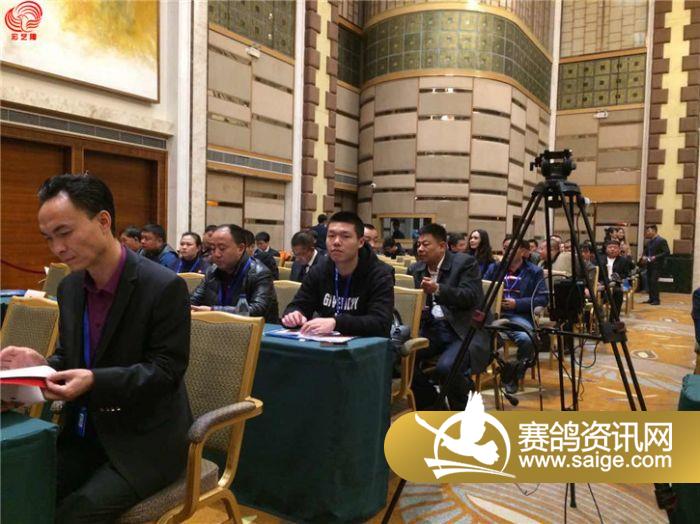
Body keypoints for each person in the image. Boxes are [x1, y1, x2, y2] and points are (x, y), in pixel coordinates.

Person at [0, 174, 192, 522]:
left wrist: (94, 381)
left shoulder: (163, 286)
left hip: (143, 441)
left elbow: (166, 372)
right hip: (84, 432)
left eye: (65, 232)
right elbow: (72, 357)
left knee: (75, 514)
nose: (58, 248)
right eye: (49, 238)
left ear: (103, 221)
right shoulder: (71, 287)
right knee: (21, 488)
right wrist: (42, 366)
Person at [408, 224, 491, 410]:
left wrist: (438, 289)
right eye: (418, 244)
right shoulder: (416, 269)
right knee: (400, 357)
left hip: (463, 329)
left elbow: (470, 297)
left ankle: (465, 413)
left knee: (447, 367)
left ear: (442, 246)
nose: (420, 249)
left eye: (426, 244)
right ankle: (433, 406)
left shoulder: (465, 263)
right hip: (432, 329)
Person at [281, 211, 394, 337]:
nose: (336, 242)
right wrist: (294, 314)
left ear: (361, 242)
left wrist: (336, 323)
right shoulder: (319, 270)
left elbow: (380, 323)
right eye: (331, 236)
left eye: (345, 236)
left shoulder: (380, 274)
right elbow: (298, 304)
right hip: (325, 343)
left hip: (367, 345)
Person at [484, 236, 547, 394]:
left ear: (524, 251)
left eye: (512, 248)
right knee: (473, 333)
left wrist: (517, 303)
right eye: (505, 248)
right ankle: (488, 368)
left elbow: (542, 298)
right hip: (495, 314)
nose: (507, 251)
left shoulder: (534, 271)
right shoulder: (495, 268)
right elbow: (482, 289)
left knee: (527, 339)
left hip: (518, 315)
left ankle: (514, 375)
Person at [191, 224, 278, 322]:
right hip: (218, 327)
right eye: (213, 248)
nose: (216, 254)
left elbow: (257, 310)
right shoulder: (212, 271)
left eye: (222, 248)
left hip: (255, 329)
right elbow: (193, 300)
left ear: (240, 248)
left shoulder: (260, 273)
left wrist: (214, 311)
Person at [599, 239, 634, 315]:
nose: (612, 249)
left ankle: (614, 317)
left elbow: (626, 274)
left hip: (617, 284)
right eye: (610, 247)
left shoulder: (623, 261)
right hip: (602, 283)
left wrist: (617, 277)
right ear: (606, 249)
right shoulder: (599, 259)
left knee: (618, 292)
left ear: (619, 249)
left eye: (615, 247)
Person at [641, 225, 670, 305]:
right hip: (649, 264)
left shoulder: (662, 240)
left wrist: (655, 257)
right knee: (649, 281)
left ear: (654, 231)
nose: (647, 233)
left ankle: (656, 300)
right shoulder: (649, 242)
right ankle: (651, 298)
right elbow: (646, 251)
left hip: (657, 265)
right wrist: (644, 256)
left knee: (654, 281)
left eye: (649, 231)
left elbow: (666, 252)